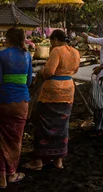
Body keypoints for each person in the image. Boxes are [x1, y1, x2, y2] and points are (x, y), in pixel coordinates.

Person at [25, 29, 79, 171]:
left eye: (51, 42)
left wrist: (42, 71)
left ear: (55, 40)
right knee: (62, 125)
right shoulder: (75, 51)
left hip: (52, 91)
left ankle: (38, 161)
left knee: (43, 124)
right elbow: (75, 70)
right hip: (68, 90)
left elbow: (49, 72)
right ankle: (58, 160)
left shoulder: (57, 51)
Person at [0, 27, 33, 188]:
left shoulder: (1, 55)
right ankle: (12, 173)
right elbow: (28, 82)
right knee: (15, 140)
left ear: (8, 39)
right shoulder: (28, 55)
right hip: (21, 102)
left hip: (4, 99)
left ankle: (0, 179)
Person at [81, 29, 103, 136]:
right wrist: (94, 35)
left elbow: (88, 40)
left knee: (100, 101)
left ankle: (100, 127)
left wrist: (84, 34)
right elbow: (99, 38)